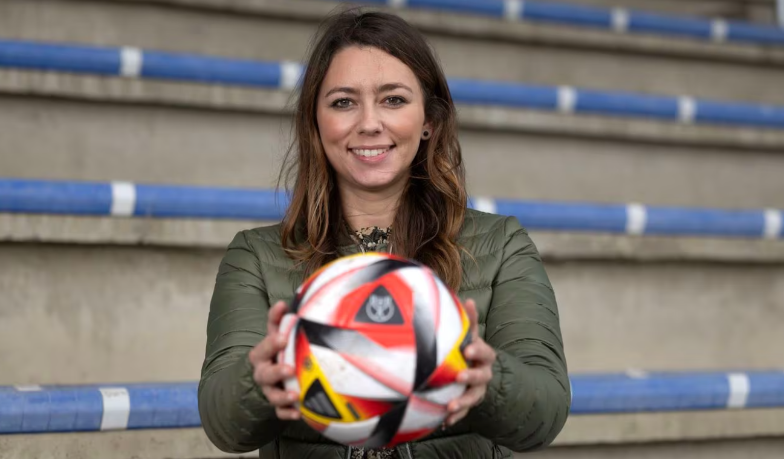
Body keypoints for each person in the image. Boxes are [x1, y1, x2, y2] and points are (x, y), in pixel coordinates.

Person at [198, 8, 570, 459]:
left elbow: (545, 413)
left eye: (393, 99)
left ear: (430, 120)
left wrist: (488, 380)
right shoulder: (256, 255)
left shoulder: (501, 244)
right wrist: (258, 383)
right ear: (315, 122)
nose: (370, 123)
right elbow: (224, 425)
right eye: (343, 102)